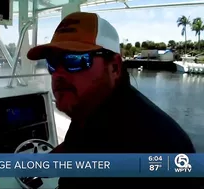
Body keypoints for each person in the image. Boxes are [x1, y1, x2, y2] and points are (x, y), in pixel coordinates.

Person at [27, 12, 201, 189]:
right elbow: (79, 144)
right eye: (53, 62)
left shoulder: (152, 148)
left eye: (75, 60)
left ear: (115, 67)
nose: (57, 74)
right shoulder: (91, 109)